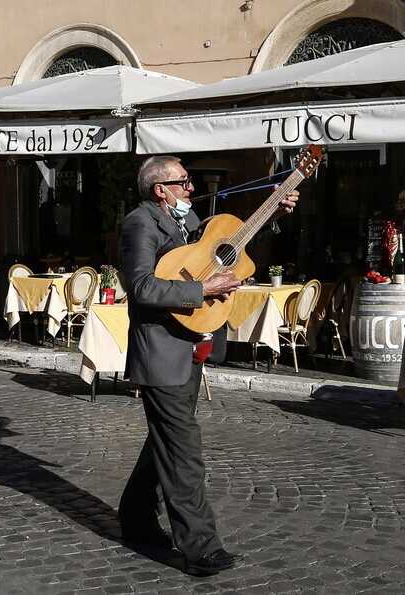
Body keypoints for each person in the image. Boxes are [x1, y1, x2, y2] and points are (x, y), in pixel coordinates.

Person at [118, 155, 298, 577]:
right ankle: (200, 547)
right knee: (183, 448)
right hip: (161, 351)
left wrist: (273, 211)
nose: (191, 189)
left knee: (167, 438)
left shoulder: (188, 218)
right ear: (159, 189)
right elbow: (141, 286)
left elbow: (233, 246)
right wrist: (202, 288)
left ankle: (135, 517)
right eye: (183, 182)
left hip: (191, 345)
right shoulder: (139, 223)